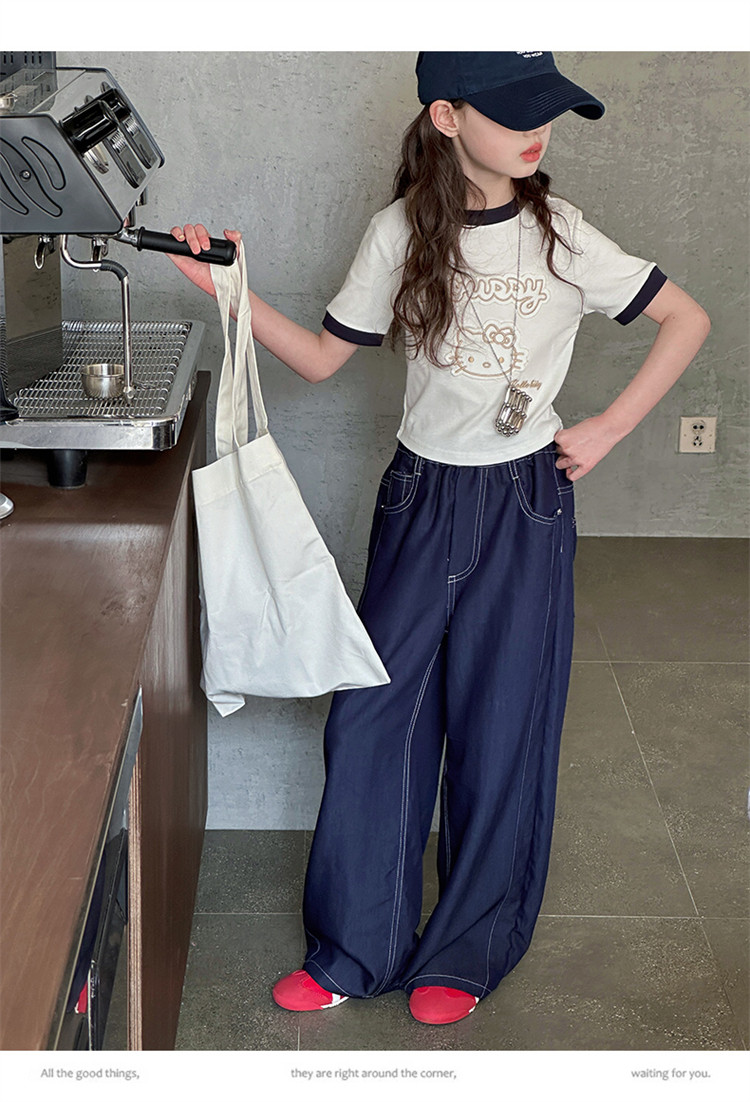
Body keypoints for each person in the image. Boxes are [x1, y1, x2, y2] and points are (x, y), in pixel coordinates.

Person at [168, 52, 710, 1026]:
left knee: (503, 723)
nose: (536, 132)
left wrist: (607, 428)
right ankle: (355, 949)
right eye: (513, 113)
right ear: (448, 117)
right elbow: (323, 360)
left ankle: (466, 950)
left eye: (547, 113)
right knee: (374, 718)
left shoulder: (562, 232)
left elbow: (685, 316)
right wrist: (227, 289)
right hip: (421, 497)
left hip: (525, 504)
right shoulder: (399, 233)